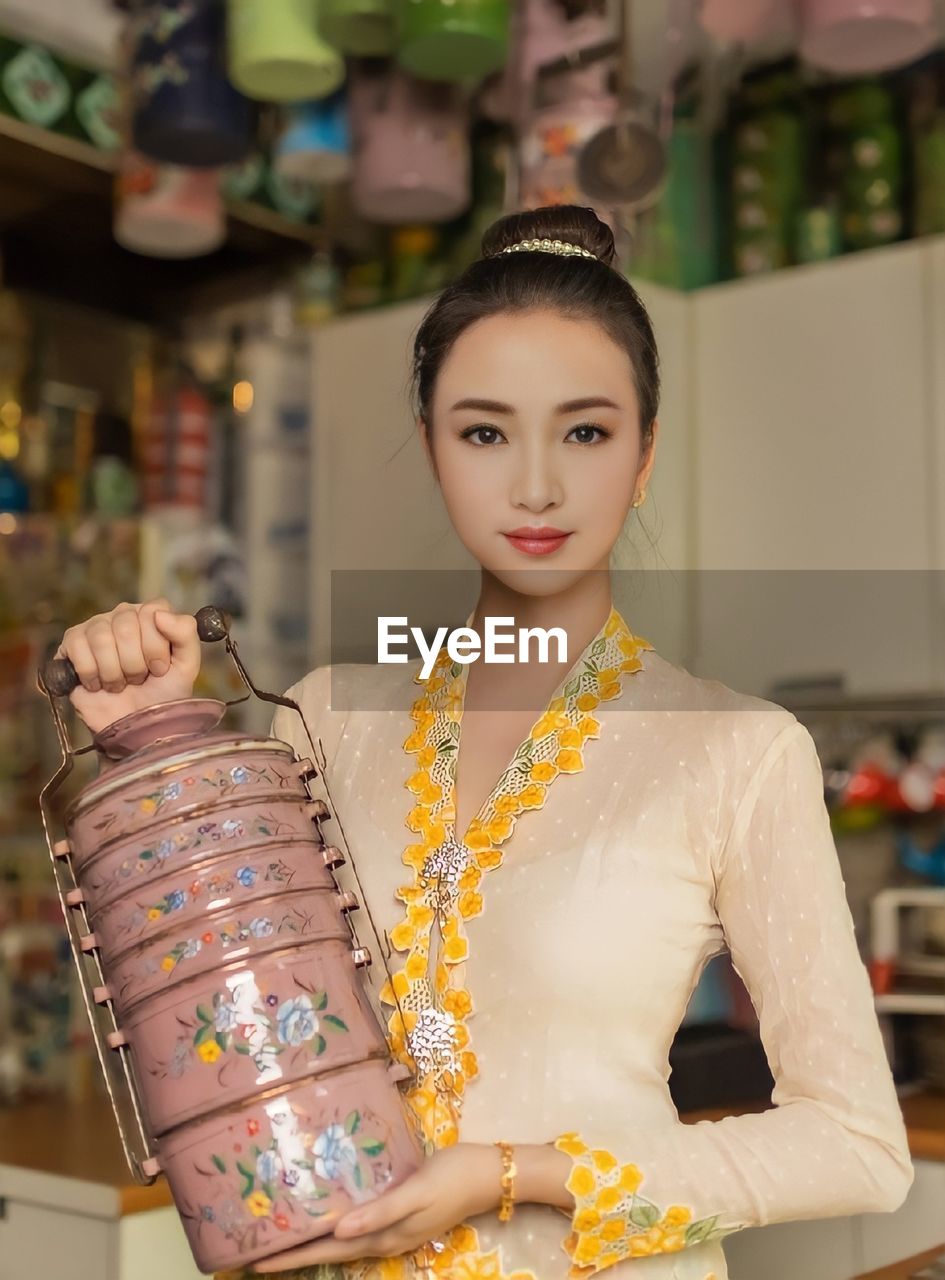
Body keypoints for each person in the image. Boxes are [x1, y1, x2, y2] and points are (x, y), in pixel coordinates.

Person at [57, 205, 914, 1280]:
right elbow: (230, 1018)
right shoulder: (320, 713)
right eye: (485, 430)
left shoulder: (738, 750)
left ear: (645, 455)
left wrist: (514, 1170)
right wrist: (157, 739)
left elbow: (861, 1147)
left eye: (587, 431)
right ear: (433, 448)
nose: (538, 485)